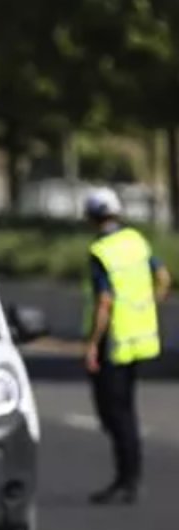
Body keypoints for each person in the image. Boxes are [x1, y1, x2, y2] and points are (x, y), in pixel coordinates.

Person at [82, 187, 170, 505]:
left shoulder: (101, 251)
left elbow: (104, 302)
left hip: (113, 342)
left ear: (91, 217)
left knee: (115, 413)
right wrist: (146, 308)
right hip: (138, 340)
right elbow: (163, 277)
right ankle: (129, 478)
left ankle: (126, 480)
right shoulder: (135, 241)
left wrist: (92, 345)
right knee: (126, 411)